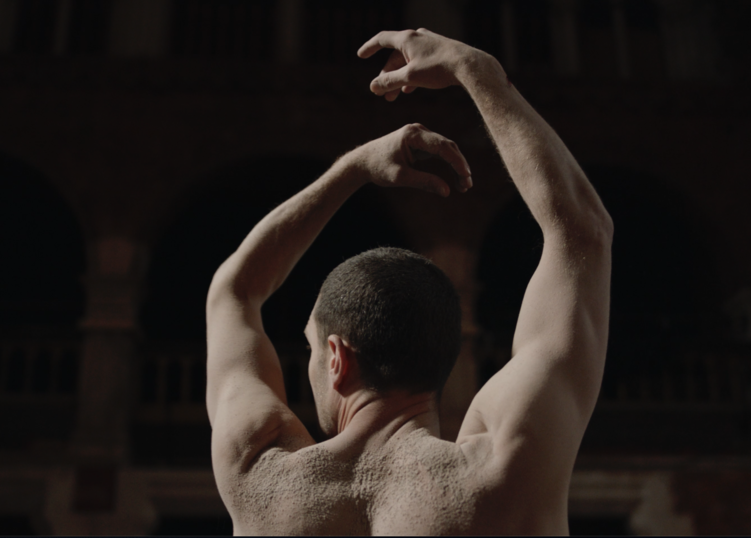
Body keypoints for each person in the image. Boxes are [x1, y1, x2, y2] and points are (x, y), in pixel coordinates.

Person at [206, 29, 613, 535]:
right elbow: (583, 234)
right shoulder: (503, 473)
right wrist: (477, 70)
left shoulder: (259, 476)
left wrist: (353, 170)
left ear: (337, 357)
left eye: (312, 349)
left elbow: (235, 289)